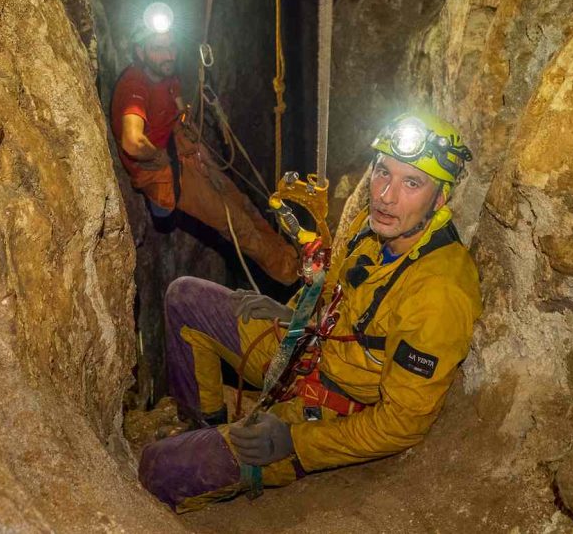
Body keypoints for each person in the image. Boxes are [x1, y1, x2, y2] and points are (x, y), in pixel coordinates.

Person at [139, 112, 482, 513]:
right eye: (382, 172)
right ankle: (203, 425)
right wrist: (291, 313)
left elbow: (401, 425)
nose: (386, 195)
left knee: (156, 467)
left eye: (412, 183)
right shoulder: (368, 229)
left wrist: (294, 441)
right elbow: (330, 295)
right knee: (185, 297)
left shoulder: (439, 293)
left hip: (325, 411)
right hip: (305, 354)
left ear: (439, 199)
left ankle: (219, 455)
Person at [109, 12, 299, 285]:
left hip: (182, 152)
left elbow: (179, 113)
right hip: (164, 171)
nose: (169, 55)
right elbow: (131, 141)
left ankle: (291, 256)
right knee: (236, 224)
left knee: (245, 205)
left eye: (171, 47)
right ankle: (293, 277)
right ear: (140, 52)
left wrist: (197, 147)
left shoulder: (168, 77)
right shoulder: (134, 86)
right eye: (158, 49)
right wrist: (159, 156)